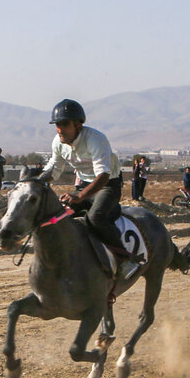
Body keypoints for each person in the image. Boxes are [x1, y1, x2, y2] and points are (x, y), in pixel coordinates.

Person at [36, 98, 134, 277]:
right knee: (58, 216)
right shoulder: (58, 142)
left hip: (107, 185)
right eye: (57, 125)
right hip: (84, 185)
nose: (59, 129)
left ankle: (125, 259)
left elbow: (103, 176)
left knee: (95, 217)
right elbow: (54, 169)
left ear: (78, 125)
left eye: (64, 124)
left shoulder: (96, 139)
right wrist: (36, 183)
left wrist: (80, 197)